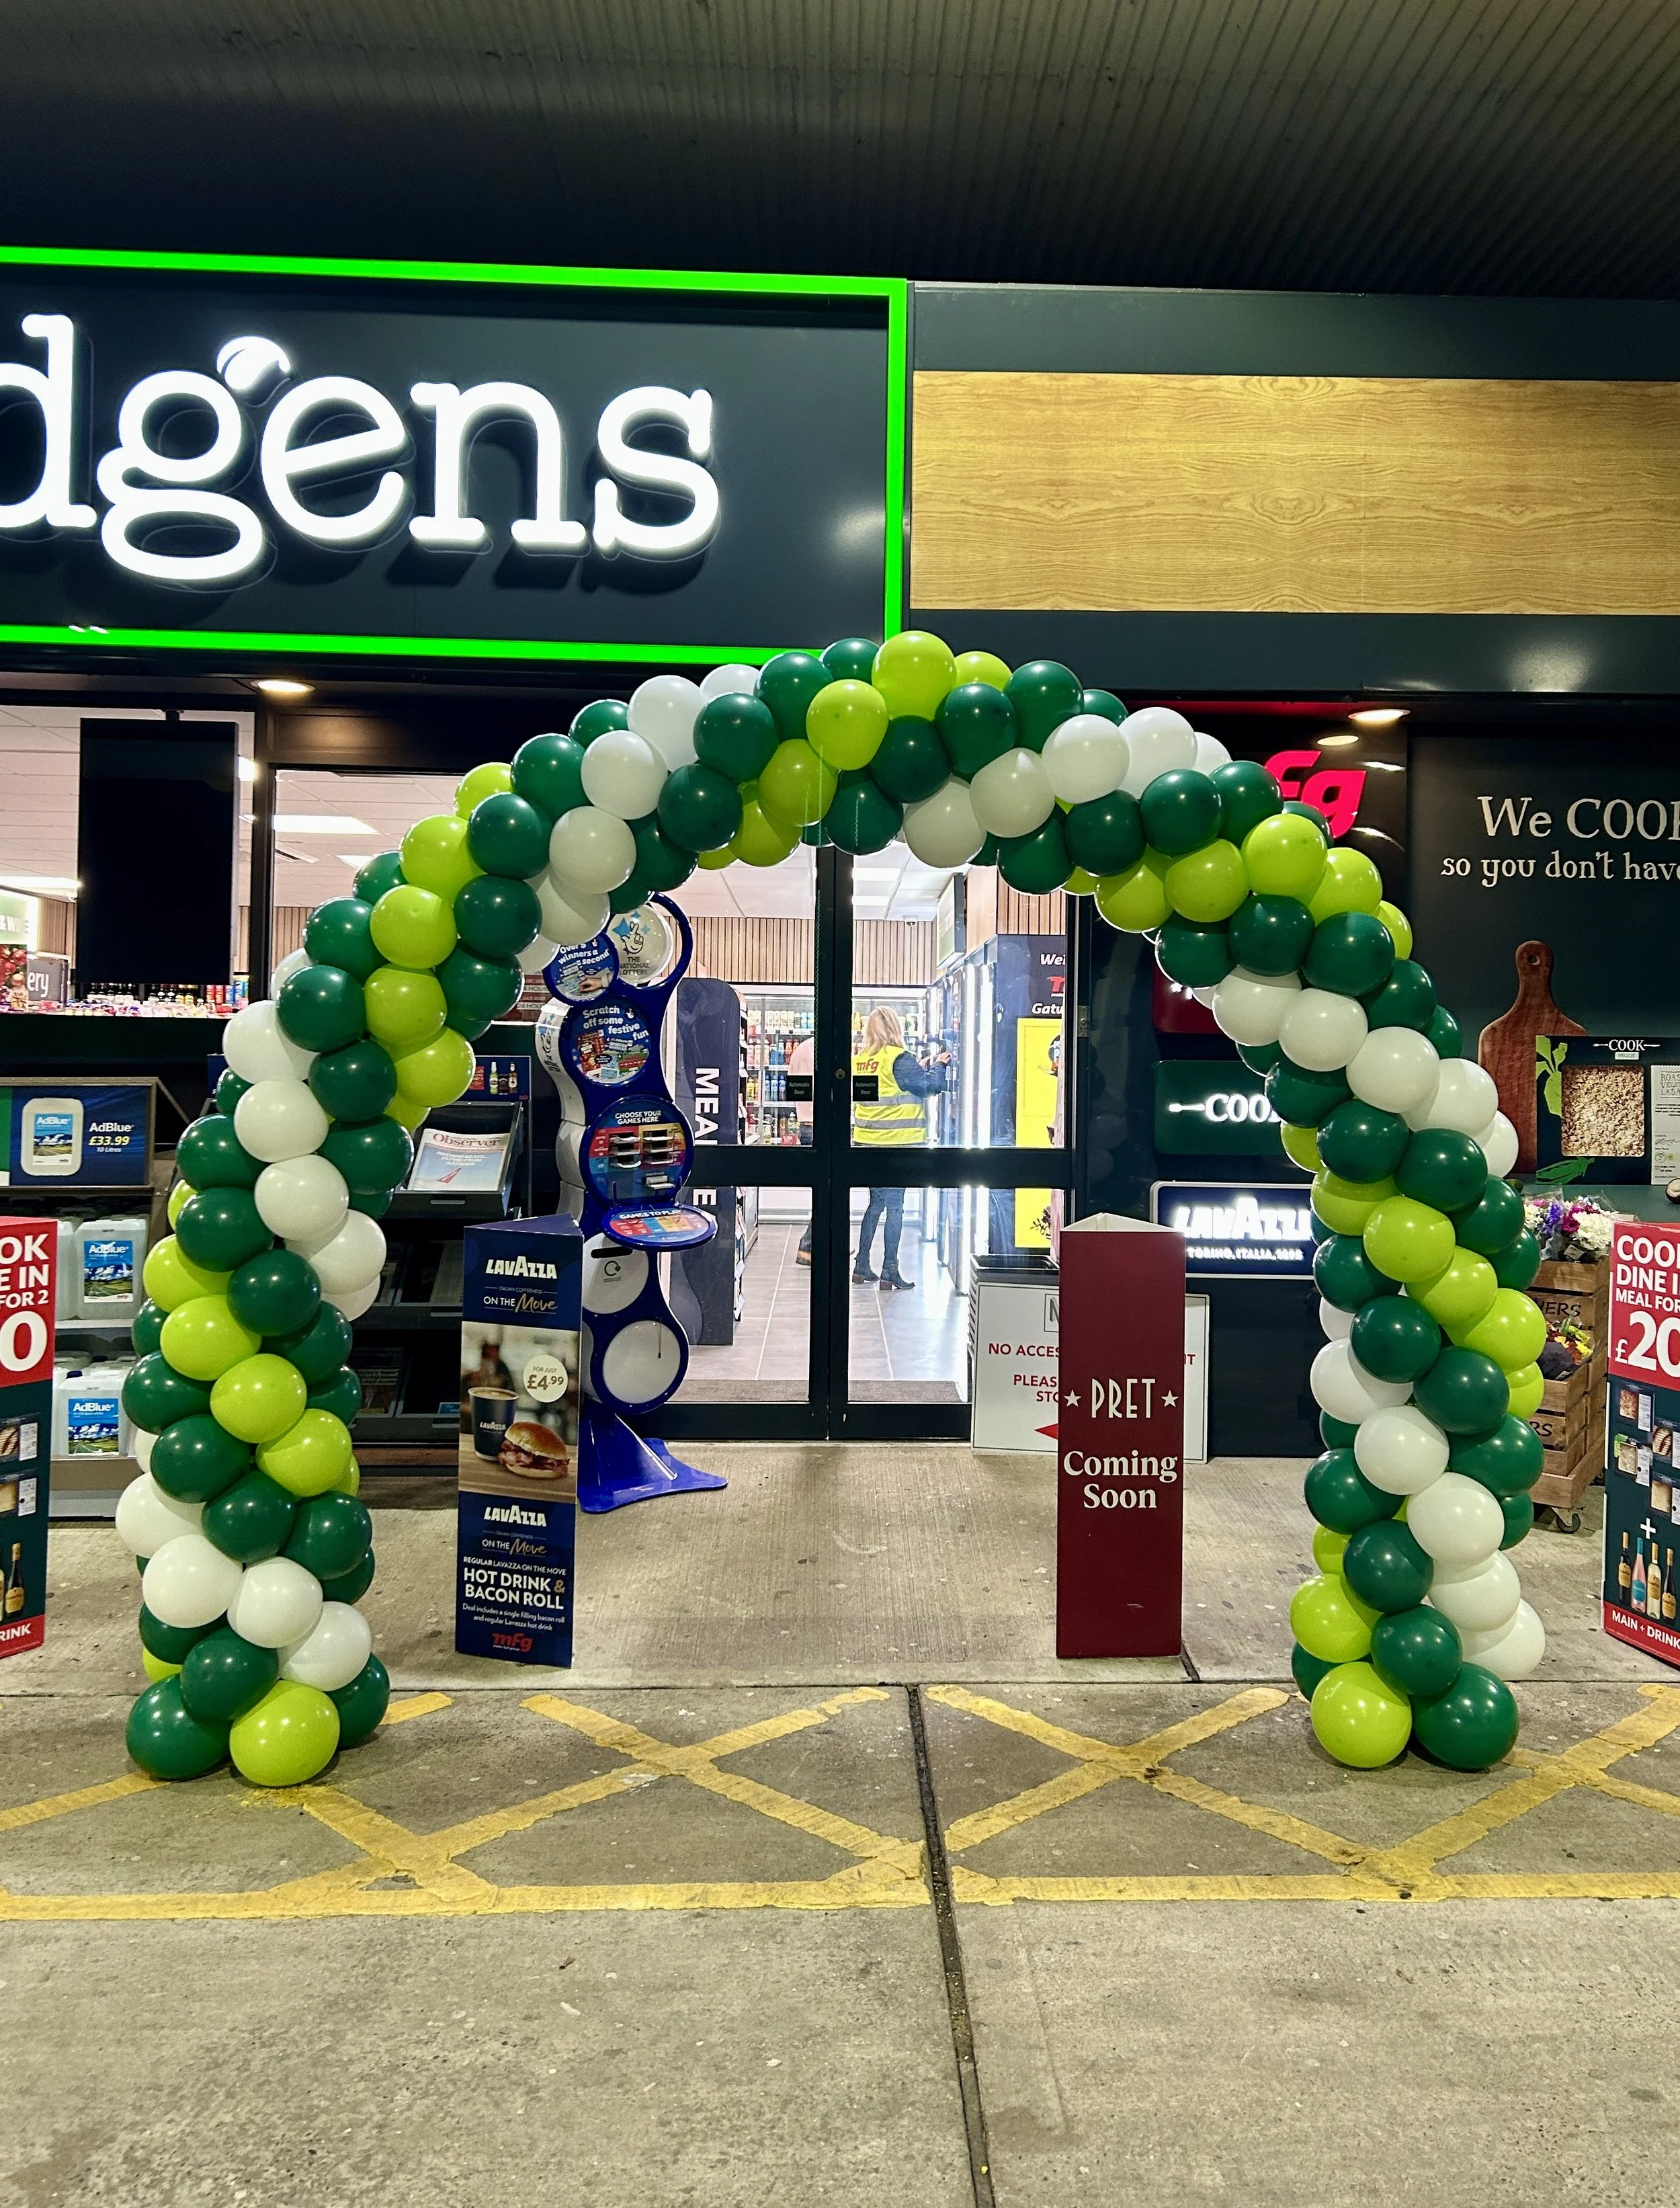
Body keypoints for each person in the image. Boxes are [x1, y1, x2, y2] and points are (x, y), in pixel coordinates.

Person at [851, 1005, 950, 1290]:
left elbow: (887, 1090)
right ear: (896, 1027)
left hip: (867, 1143)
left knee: (875, 1205)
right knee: (896, 1209)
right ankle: (890, 1271)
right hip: (897, 1145)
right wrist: (940, 1065)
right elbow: (927, 1088)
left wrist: (923, 1067)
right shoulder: (899, 1058)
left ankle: (861, 1266)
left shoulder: (862, 1059)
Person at [791, 1032, 816, 1266]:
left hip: (805, 1125)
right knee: (825, 1191)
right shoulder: (822, 1050)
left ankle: (820, 1244)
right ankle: (807, 1246)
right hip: (821, 1126)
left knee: (820, 1190)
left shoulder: (800, 1050)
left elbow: (795, 1089)